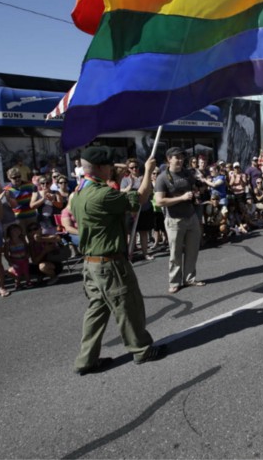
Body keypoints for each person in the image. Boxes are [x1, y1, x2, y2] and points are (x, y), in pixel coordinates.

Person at [71, 146, 168, 375]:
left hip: (91, 264)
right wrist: (147, 172)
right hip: (109, 263)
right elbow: (141, 199)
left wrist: (116, 171)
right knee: (128, 305)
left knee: (96, 310)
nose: (113, 169)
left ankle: (86, 359)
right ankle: (142, 349)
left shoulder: (79, 193)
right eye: (109, 166)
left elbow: (113, 187)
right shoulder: (103, 195)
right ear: (102, 168)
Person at [154, 147, 206, 294]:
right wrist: (181, 198)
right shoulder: (162, 177)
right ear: (169, 159)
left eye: (182, 157)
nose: (180, 160)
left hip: (191, 216)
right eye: (177, 157)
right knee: (175, 253)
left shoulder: (187, 173)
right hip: (174, 220)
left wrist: (196, 192)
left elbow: (195, 188)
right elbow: (159, 202)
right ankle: (174, 282)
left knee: (192, 250)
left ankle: (190, 278)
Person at [4, 167, 37, 233]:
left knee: (34, 236)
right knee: (22, 236)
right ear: (9, 178)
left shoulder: (30, 185)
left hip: (31, 216)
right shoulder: (7, 189)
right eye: (14, 177)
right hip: (18, 217)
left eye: (19, 176)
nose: (17, 179)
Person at [4, 224, 32, 290]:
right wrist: (9, 261)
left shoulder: (22, 238)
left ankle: (28, 281)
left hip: (24, 258)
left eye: (17, 229)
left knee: (26, 271)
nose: (16, 231)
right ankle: (17, 283)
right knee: (17, 273)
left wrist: (28, 253)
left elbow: (26, 246)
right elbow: (6, 253)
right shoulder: (8, 242)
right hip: (15, 260)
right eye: (13, 230)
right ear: (9, 232)